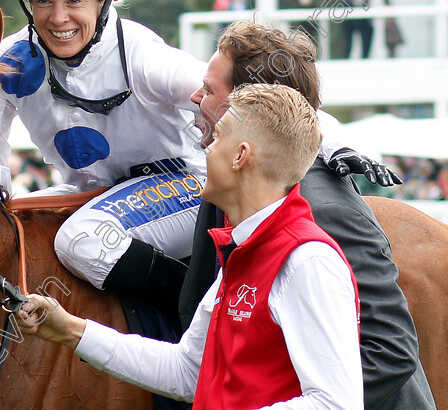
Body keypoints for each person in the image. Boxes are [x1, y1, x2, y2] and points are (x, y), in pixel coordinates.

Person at [16, 84, 363, 409]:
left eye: (219, 136)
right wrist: (69, 329)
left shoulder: (307, 260)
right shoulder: (242, 250)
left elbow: (336, 403)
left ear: (241, 156)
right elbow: (186, 371)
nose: (206, 148)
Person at [179, 21, 435, 409]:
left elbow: (390, 352)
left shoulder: (323, 209)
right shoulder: (231, 188)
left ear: (250, 110)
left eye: (210, 89)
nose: (196, 96)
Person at [0, 0, 208, 313]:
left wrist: (333, 145)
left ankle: (203, 314)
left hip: (190, 187)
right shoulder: (10, 61)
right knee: (19, 230)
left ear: (102, 0)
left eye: (74, 0)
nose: (58, 18)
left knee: (82, 239)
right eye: (43, 1)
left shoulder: (144, 56)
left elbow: (246, 99)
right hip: (97, 193)